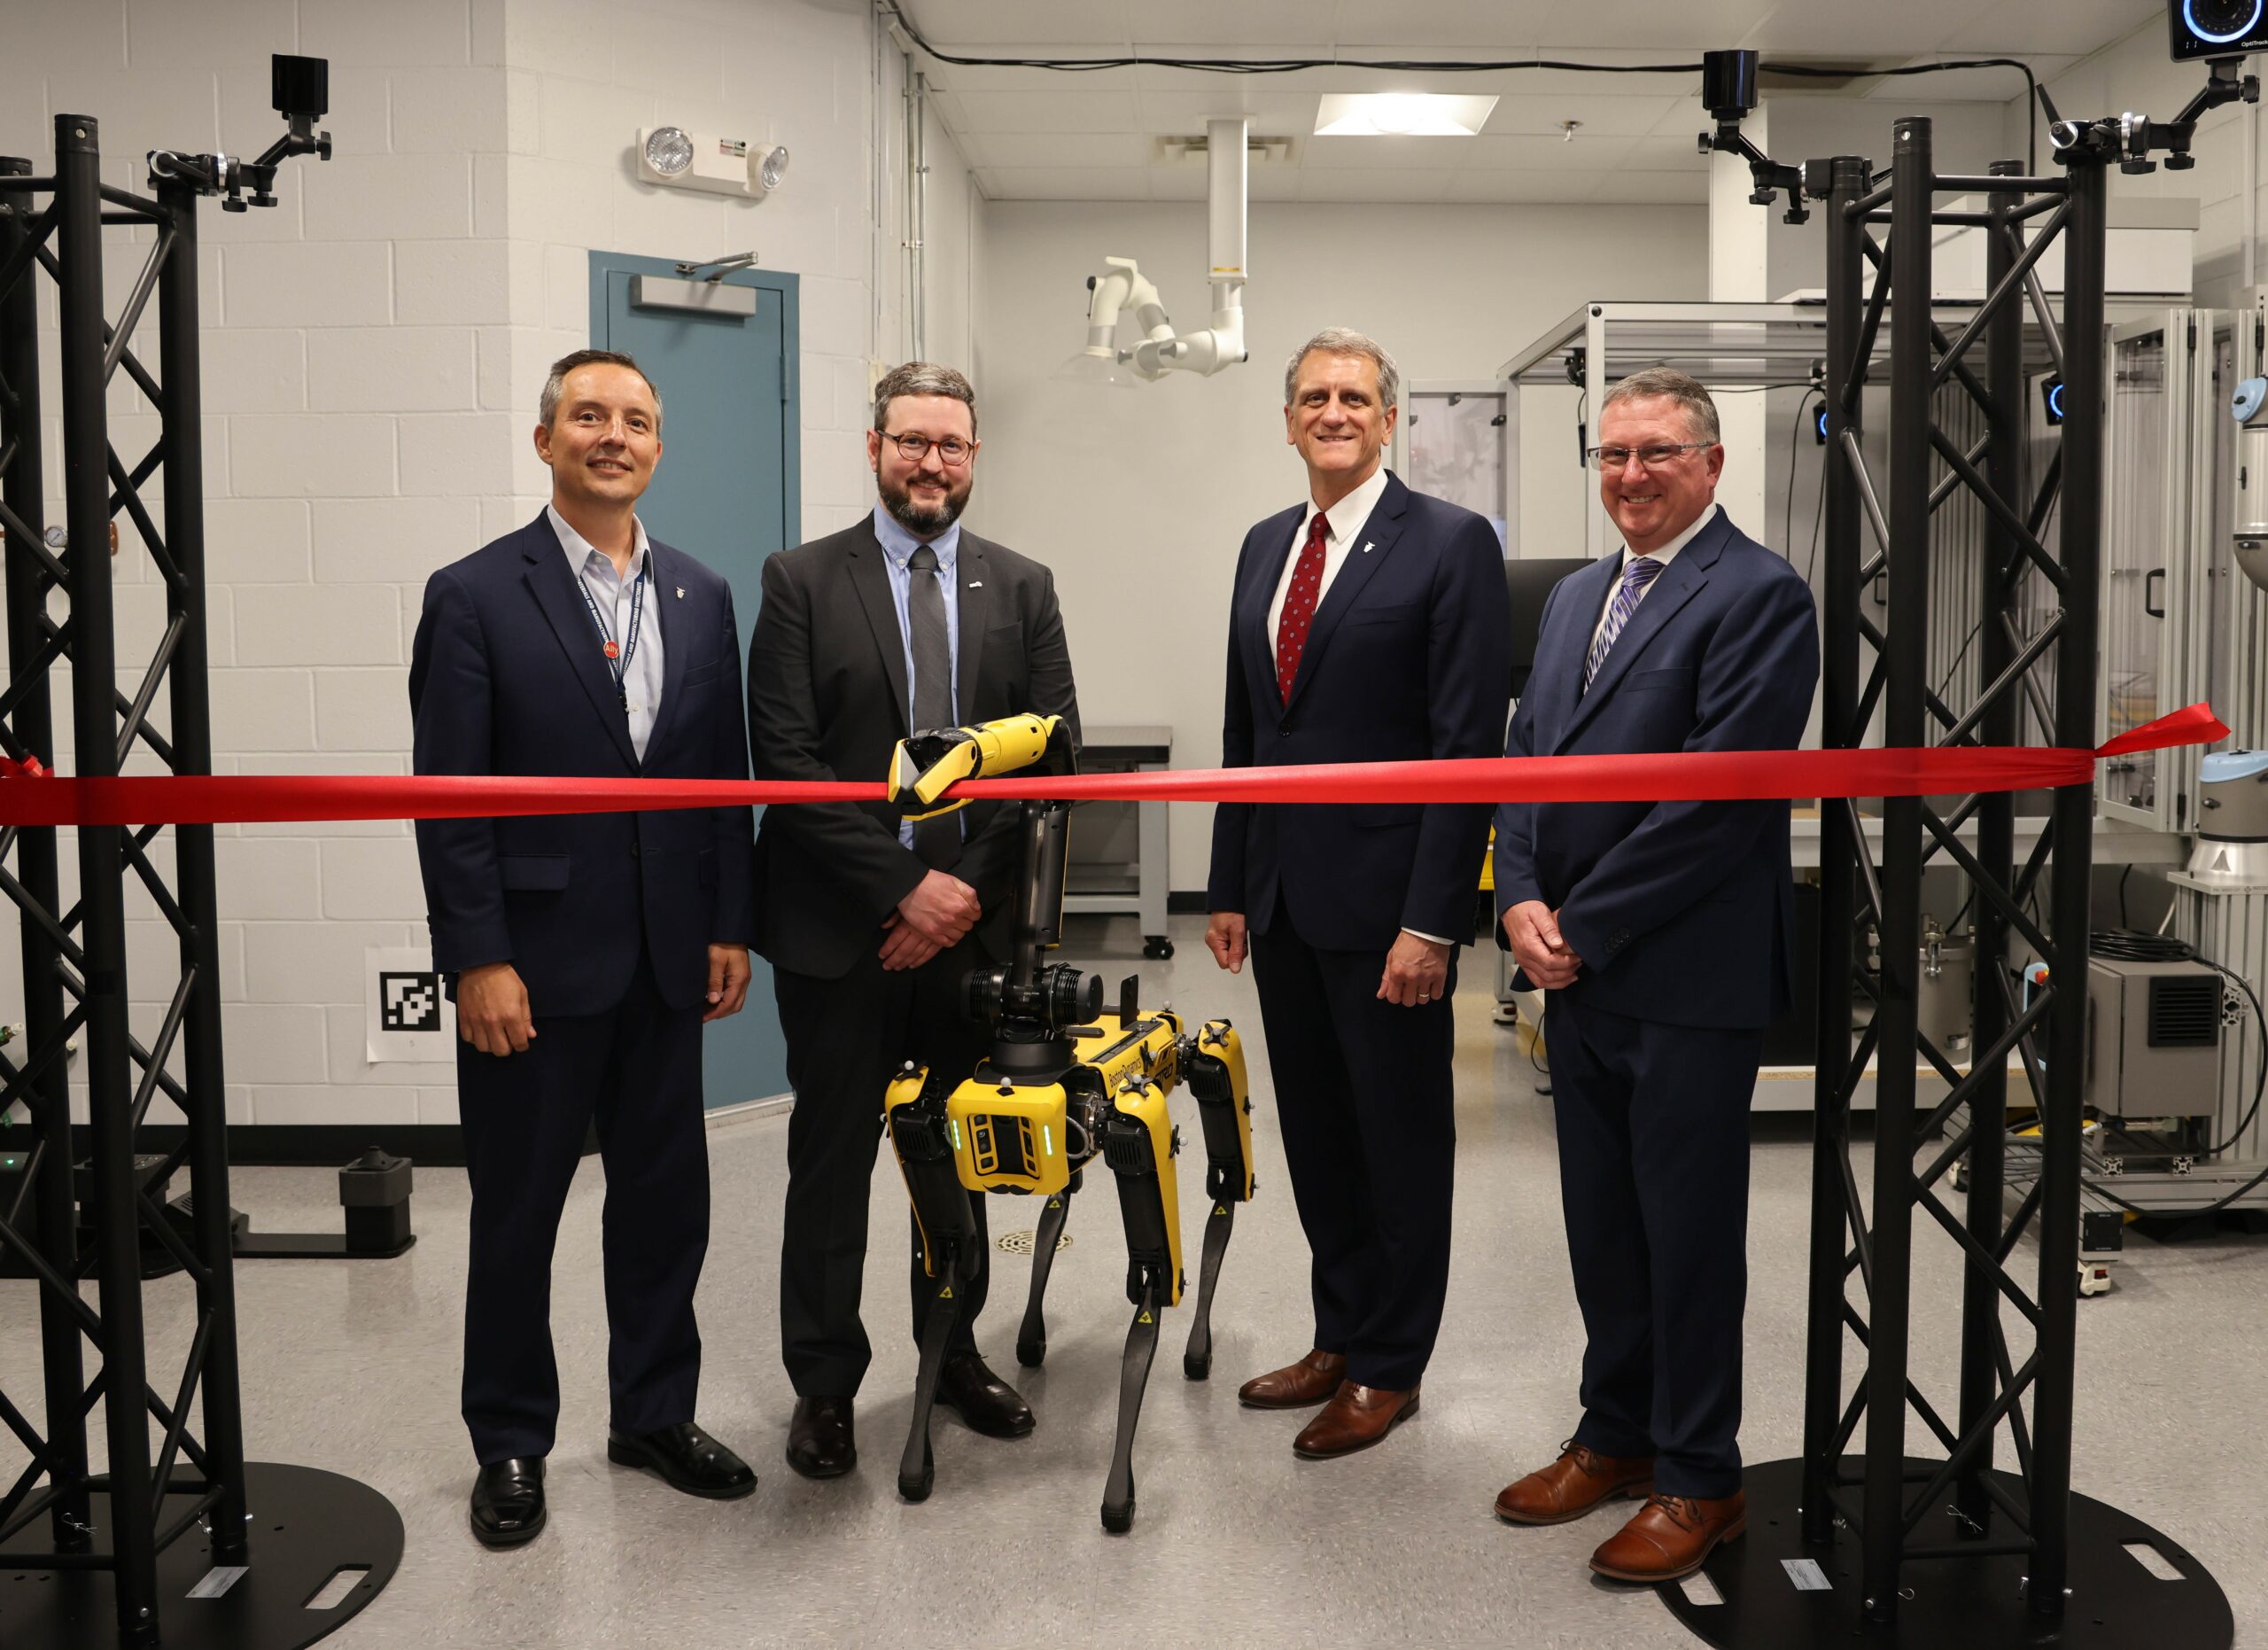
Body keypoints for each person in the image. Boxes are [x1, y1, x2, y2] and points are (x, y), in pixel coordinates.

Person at [409, 348, 762, 1548]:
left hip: (669, 957)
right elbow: (450, 797)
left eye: (636, 421)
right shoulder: (473, 593)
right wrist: (477, 957)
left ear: (659, 448)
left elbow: (724, 777)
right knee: (518, 1213)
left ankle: (654, 1412)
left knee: (667, 1204)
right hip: (534, 966)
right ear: (546, 439)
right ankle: (510, 1437)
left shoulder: (703, 593)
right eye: (588, 416)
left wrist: (728, 920)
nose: (613, 435)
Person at [1491, 367, 1819, 1583]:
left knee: (1685, 1235)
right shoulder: (1580, 593)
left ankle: (1699, 1474)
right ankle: (1615, 1433)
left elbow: (1716, 797)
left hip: (1682, 971)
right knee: (1604, 1226)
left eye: (1658, 453)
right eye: (1615, 454)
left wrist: (1584, 919)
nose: (1632, 475)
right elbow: (1523, 755)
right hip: (1578, 969)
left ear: (1712, 463)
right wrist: (1517, 891)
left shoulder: (1761, 595)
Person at [748, 361, 1080, 1480]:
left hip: (967, 939)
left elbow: (1050, 755)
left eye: (952, 444)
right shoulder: (798, 579)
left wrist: (958, 898)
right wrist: (898, 891)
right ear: (874, 445)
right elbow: (785, 760)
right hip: (840, 932)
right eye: (911, 440)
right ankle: (825, 1387)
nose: (931, 461)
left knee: (955, 1157)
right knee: (831, 1162)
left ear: (974, 457)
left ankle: (950, 1354)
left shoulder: (1022, 584)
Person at [1205, 327, 1511, 1459]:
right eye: (1312, 396)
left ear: (1390, 420)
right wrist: (1230, 881)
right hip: (1283, 900)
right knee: (1321, 1134)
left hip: (1390, 912)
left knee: (1397, 1140)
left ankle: (1391, 1363)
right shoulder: (1261, 546)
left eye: (1355, 396)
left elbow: (1464, 742)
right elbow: (1248, 726)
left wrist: (1432, 919)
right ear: (1288, 420)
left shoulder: (1449, 544)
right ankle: (1339, 1331)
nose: (1333, 411)